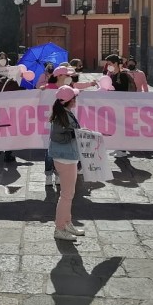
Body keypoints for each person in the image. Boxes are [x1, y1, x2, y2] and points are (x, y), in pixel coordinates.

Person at [48, 85, 85, 241]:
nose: (76, 99)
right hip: (65, 158)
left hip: (68, 157)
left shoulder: (64, 113)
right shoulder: (61, 116)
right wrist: (74, 134)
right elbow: (57, 137)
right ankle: (60, 228)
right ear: (70, 101)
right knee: (67, 195)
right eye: (75, 97)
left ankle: (67, 222)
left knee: (68, 194)